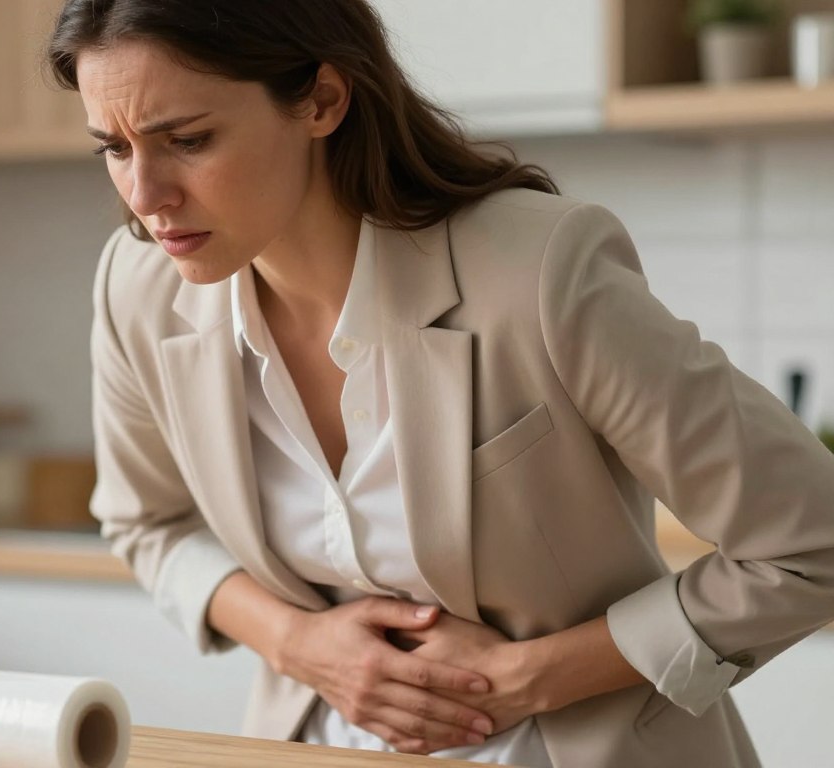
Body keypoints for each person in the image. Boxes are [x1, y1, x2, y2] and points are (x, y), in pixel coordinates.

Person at [46, 1, 834, 766]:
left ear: (322, 99)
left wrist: (528, 679)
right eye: (111, 150)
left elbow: (811, 543)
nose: (145, 199)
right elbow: (149, 523)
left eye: (186, 139)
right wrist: (300, 644)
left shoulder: (537, 273)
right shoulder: (138, 288)